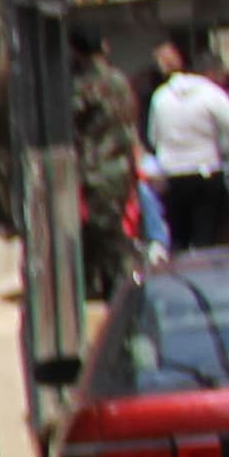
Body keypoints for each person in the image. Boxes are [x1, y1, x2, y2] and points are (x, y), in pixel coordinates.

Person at [145, 39, 229, 249]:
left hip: (173, 178)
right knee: (208, 241)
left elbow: (153, 138)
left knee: (179, 241)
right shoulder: (212, 94)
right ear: (212, 74)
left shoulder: (160, 97)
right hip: (206, 175)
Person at [76, 36, 144, 298]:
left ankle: (119, 291)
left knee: (104, 237)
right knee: (116, 232)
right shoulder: (120, 81)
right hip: (122, 168)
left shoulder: (86, 85)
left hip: (99, 172)